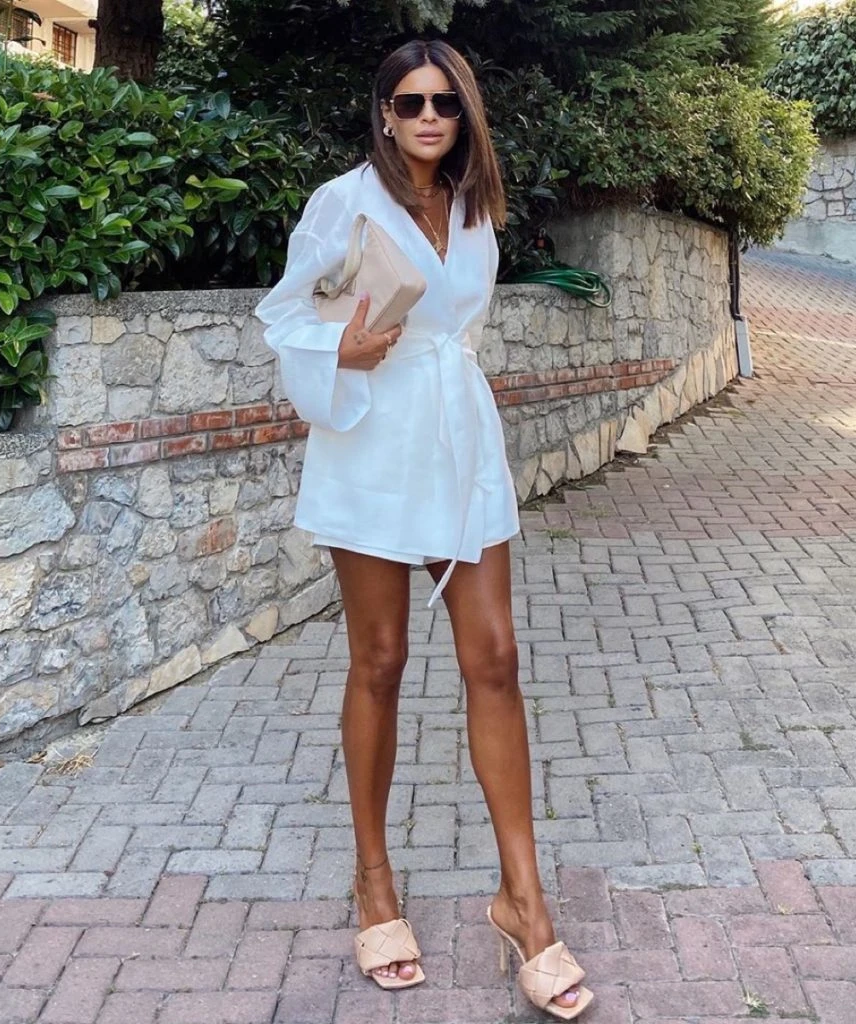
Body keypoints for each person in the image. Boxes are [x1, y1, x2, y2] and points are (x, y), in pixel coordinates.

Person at [255, 38, 593, 1021]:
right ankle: (374, 883)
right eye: (410, 103)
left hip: (456, 439)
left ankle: (523, 901)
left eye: (444, 101)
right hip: (371, 440)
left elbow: (459, 328)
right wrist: (343, 347)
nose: (428, 117)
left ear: (464, 113)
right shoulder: (342, 202)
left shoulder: (475, 205)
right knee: (380, 660)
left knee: (496, 656)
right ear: (384, 114)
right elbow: (286, 316)